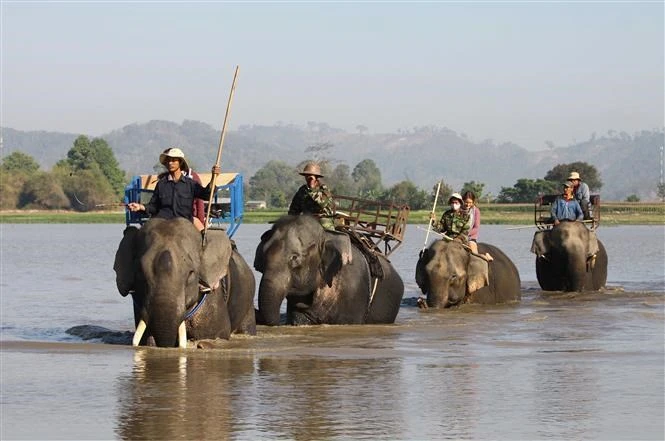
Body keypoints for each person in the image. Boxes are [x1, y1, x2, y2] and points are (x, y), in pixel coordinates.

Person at [127, 147, 220, 231]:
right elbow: (153, 207)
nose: (170, 163)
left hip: (185, 222)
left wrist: (213, 177)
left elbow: (207, 194)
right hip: (162, 221)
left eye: (174, 160)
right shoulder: (161, 184)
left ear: (180, 163)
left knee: (204, 239)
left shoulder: (190, 184)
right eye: (168, 161)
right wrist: (140, 206)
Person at [288, 162, 335, 230]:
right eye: (306, 176)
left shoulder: (324, 189)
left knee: (326, 227)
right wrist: (290, 220)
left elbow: (322, 203)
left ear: (316, 178)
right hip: (306, 220)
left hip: (322, 220)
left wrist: (312, 188)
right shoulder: (302, 190)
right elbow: (293, 209)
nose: (308, 178)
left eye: (310, 176)